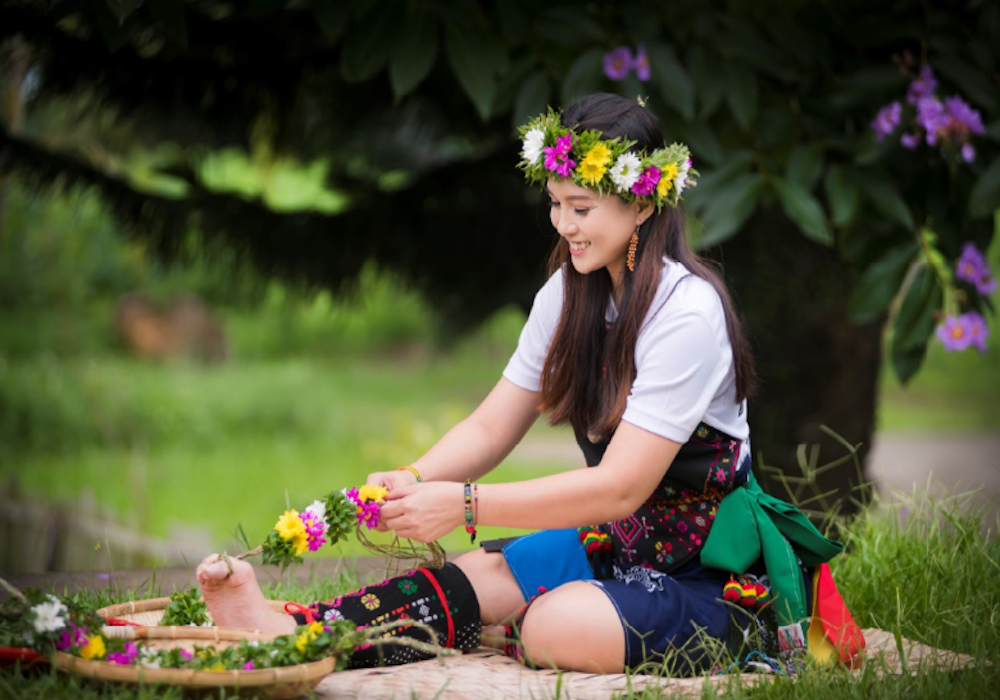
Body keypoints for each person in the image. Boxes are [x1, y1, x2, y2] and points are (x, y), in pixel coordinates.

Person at [196, 93, 849, 674]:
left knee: (553, 625)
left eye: (582, 207)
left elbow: (621, 487)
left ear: (643, 203)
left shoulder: (687, 313)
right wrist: (417, 480)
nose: (564, 226)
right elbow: (491, 425)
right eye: (556, 205)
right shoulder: (569, 292)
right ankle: (290, 634)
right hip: (619, 548)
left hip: (713, 575)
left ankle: (737, 632)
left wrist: (467, 507)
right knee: (479, 574)